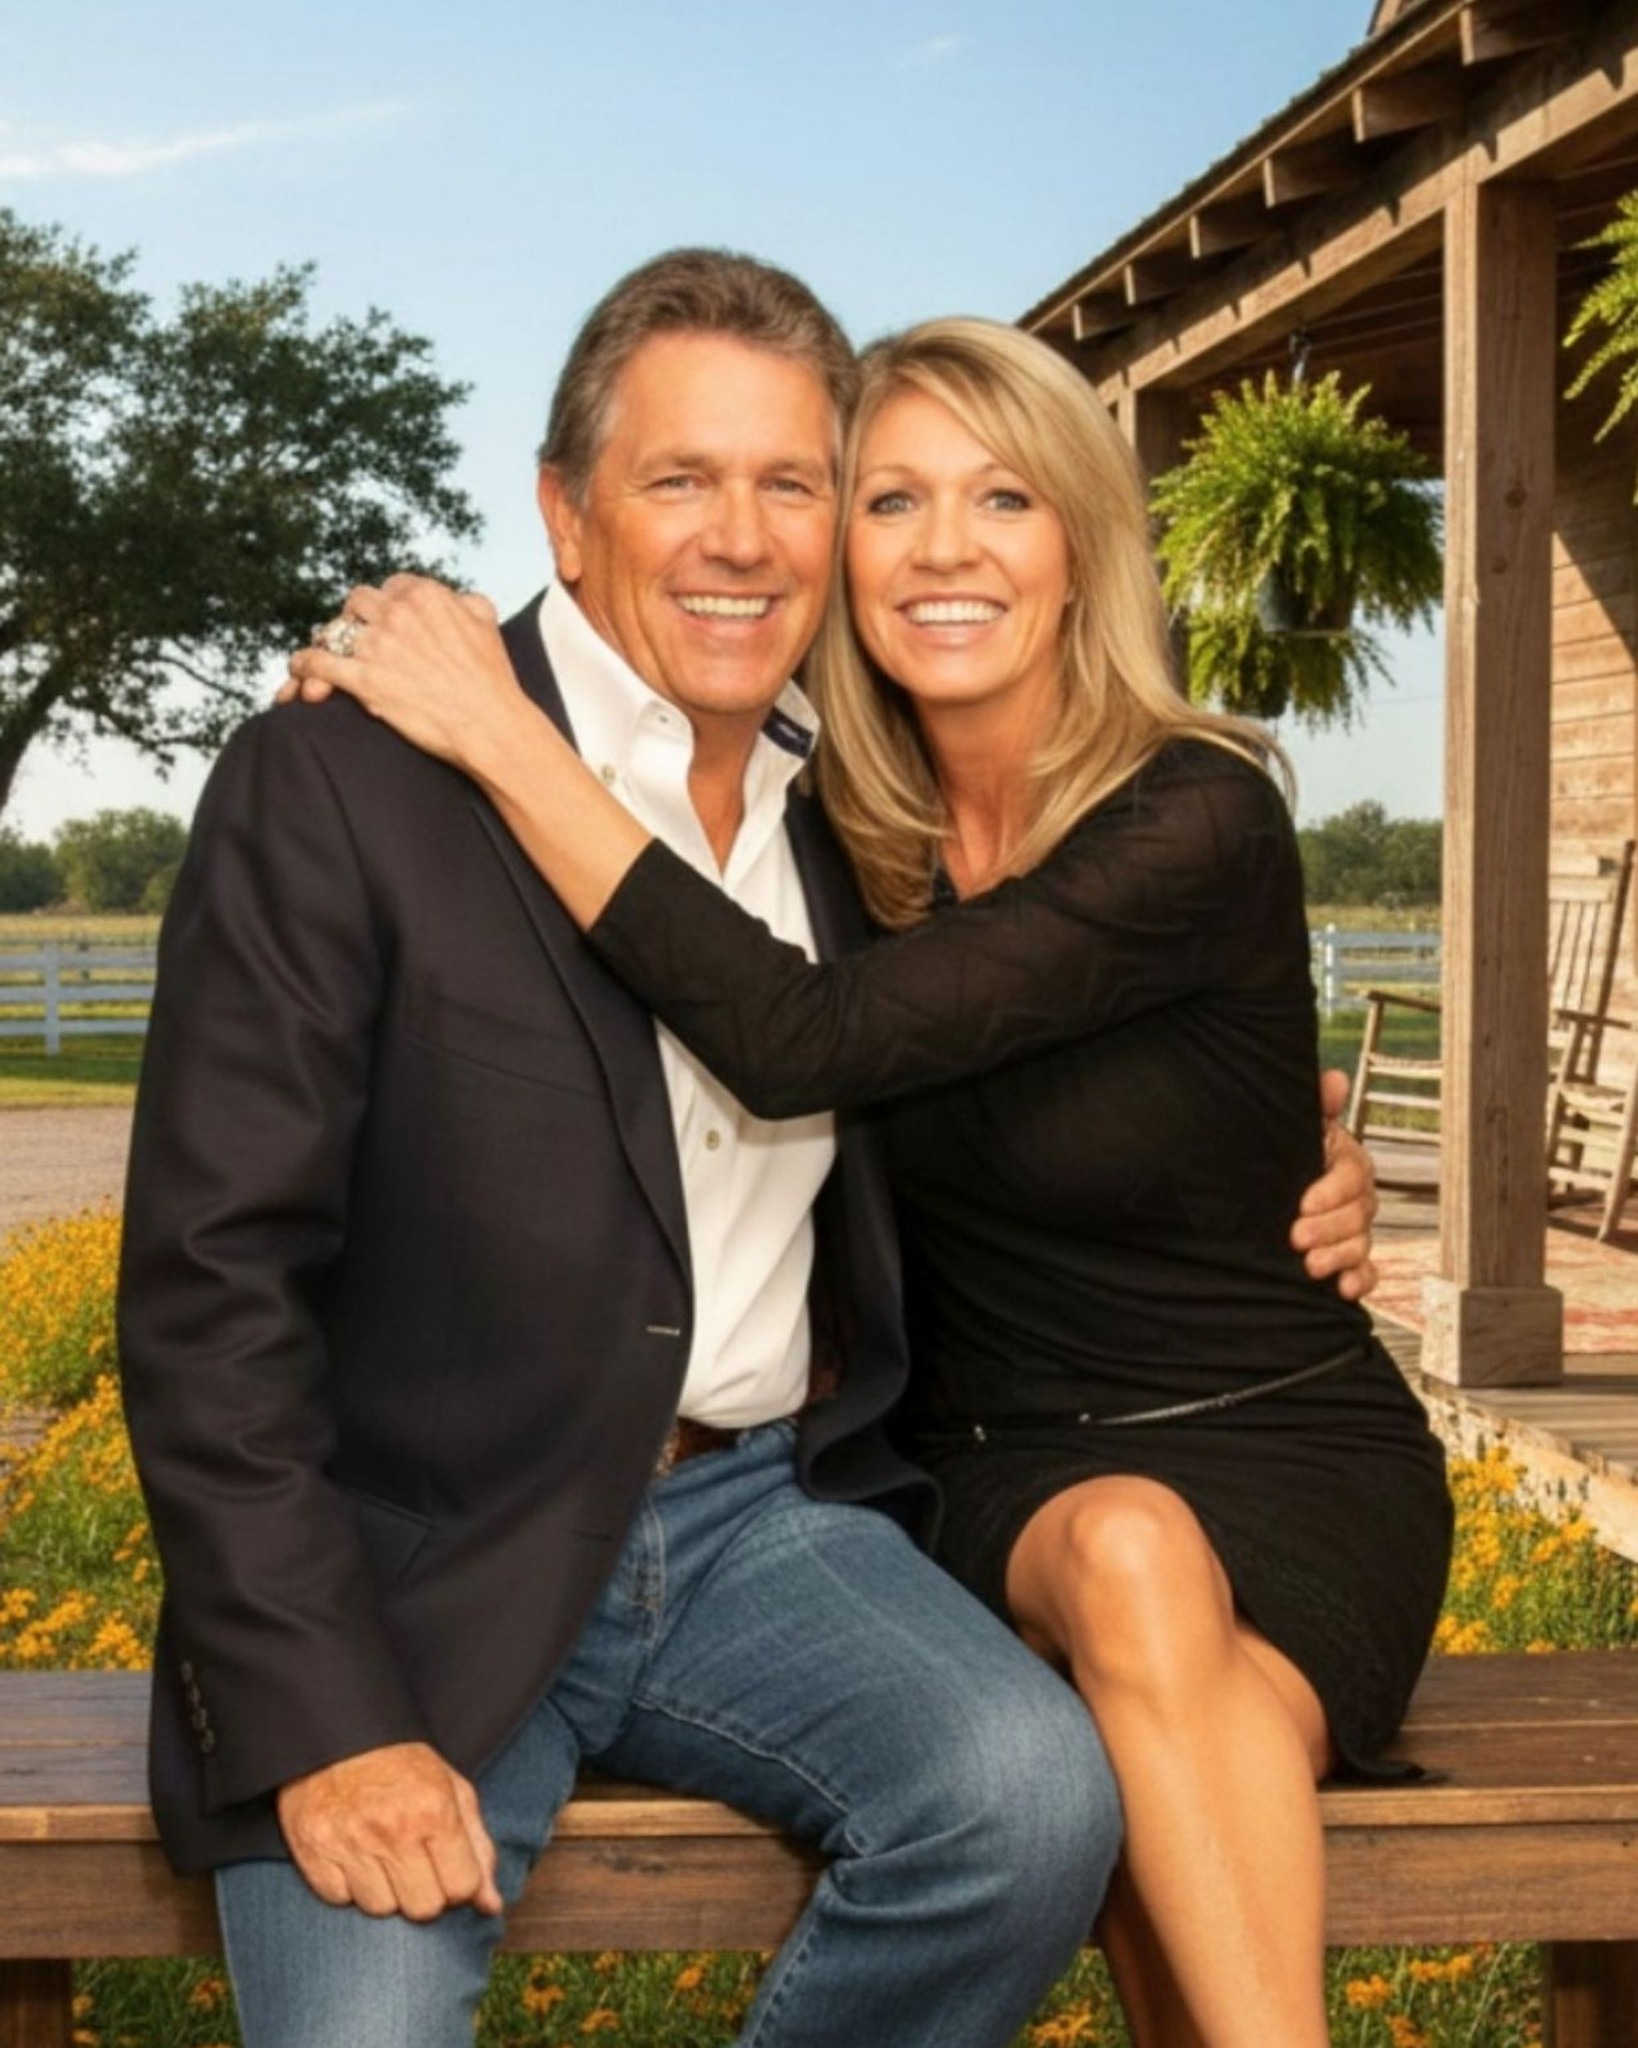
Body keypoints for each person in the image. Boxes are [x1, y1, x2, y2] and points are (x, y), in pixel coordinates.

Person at [287, 306, 1443, 2048]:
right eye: (892, 501)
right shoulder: (824, 835)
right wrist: (400, 672)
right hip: (983, 1482)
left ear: (1081, 543)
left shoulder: (1191, 814)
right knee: (1119, 1586)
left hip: (1272, 1449)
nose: (944, 549)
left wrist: (499, 734)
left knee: (1141, 1720)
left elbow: (798, 1042)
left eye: (1004, 500)